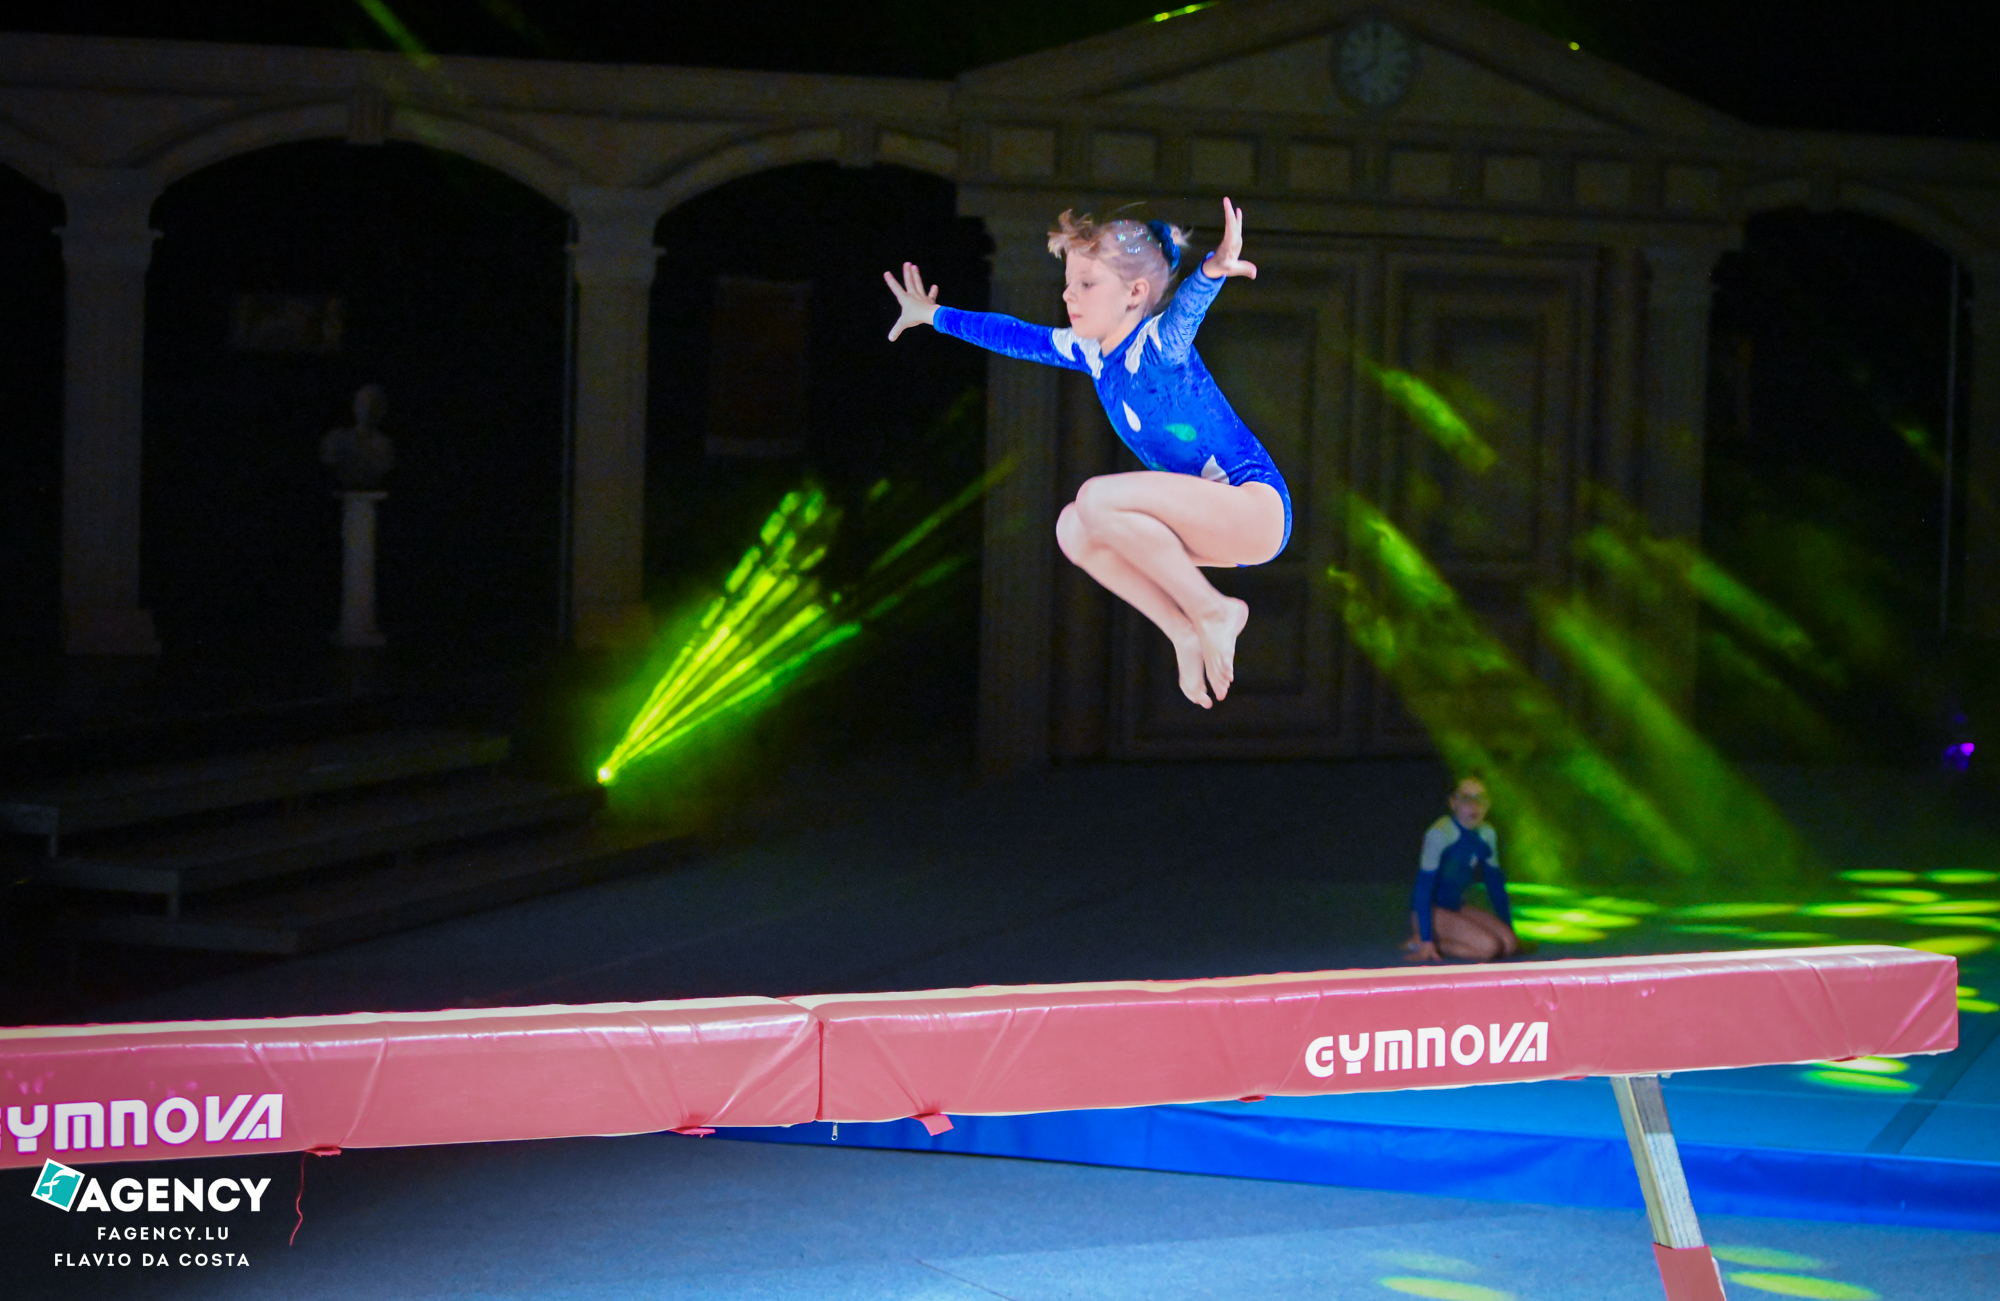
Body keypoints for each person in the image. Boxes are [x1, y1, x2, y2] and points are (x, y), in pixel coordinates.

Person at [883, 198, 1290, 708]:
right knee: (1074, 528)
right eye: (1069, 282)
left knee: (1096, 498)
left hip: (1255, 509)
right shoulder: (1091, 353)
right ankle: (1182, 631)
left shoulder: (1158, 346)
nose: (1068, 294)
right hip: (1212, 526)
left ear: (1135, 293)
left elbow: (1188, 309)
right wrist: (933, 315)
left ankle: (1213, 610)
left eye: (1087, 284)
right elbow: (1013, 335)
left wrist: (1212, 269)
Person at [1403, 776, 1519, 962]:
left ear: (1488, 804)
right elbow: (1423, 888)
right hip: (1430, 911)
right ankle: (1423, 940)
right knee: (1489, 947)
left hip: (1456, 906)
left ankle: (1439, 937)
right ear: (1453, 803)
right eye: (1466, 799)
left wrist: (1508, 927)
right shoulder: (1440, 833)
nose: (1474, 806)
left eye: (1480, 799)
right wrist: (1426, 939)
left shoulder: (1487, 833)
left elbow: (1495, 884)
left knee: (1509, 944)